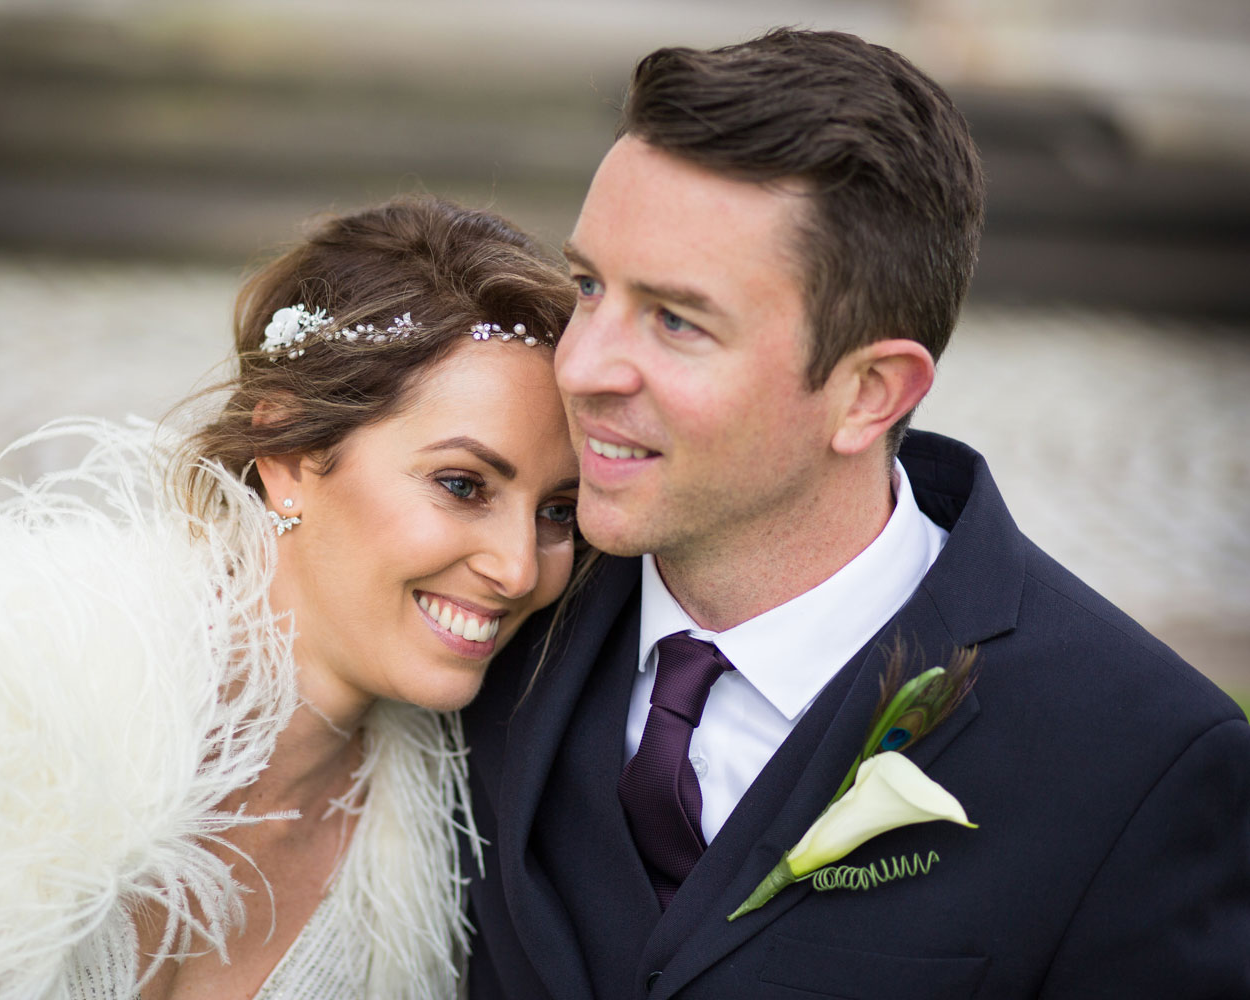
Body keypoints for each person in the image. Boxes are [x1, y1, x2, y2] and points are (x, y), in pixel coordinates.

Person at [461, 28, 1250, 999]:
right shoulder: (483, 607)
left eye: (677, 320)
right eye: (589, 286)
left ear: (871, 392)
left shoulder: (1139, 764)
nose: (580, 367)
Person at [0, 195, 583, 1000]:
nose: (518, 569)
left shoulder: (458, 856)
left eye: (557, 512)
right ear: (286, 450)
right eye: (461, 485)